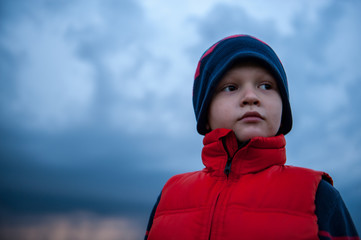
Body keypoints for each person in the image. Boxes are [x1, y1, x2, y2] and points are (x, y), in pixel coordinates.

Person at [144, 35, 359, 240]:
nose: (251, 97)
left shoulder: (317, 194)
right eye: (231, 87)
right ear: (205, 114)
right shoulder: (170, 196)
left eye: (266, 86)